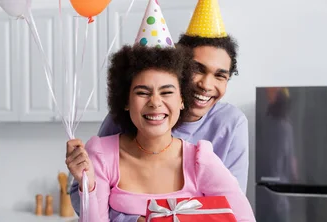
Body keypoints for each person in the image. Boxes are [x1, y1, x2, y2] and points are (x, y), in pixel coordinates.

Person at [69, 0, 249, 221]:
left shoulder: (206, 153)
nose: (206, 84)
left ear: (181, 97)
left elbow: (232, 211)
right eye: (143, 92)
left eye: (166, 92)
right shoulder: (105, 147)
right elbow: (87, 200)